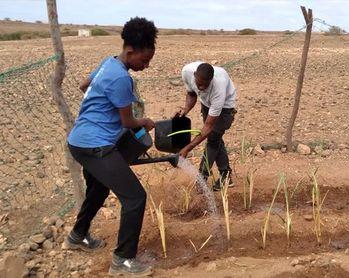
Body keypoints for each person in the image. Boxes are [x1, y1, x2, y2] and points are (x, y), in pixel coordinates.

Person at [63, 17, 157, 277]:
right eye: (144, 60)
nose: (146, 66)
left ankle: (77, 236)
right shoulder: (121, 79)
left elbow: (84, 85)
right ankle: (123, 262)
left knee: (98, 189)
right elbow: (128, 121)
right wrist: (146, 122)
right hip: (97, 146)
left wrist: (97, 108)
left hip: (79, 141)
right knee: (135, 198)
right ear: (130, 51)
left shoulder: (108, 63)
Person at [175, 61, 237, 191]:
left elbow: (208, 127)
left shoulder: (218, 89)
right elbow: (192, 94)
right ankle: (226, 176)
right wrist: (185, 110)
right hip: (207, 104)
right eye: (199, 84)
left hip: (225, 108)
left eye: (205, 85)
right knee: (216, 138)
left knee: (213, 139)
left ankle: (202, 179)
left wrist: (188, 148)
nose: (201, 88)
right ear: (194, 75)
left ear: (211, 80)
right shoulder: (187, 72)